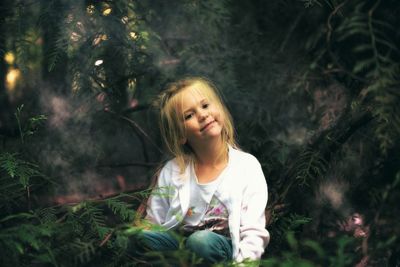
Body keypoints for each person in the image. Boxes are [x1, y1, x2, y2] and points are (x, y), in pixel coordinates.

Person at [132, 77, 270, 265]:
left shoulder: (247, 167)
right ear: (180, 135)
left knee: (201, 242)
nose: (203, 115)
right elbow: (154, 222)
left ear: (219, 108)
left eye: (205, 105)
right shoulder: (172, 171)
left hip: (220, 248)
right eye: (189, 115)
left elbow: (254, 231)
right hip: (180, 249)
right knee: (136, 237)